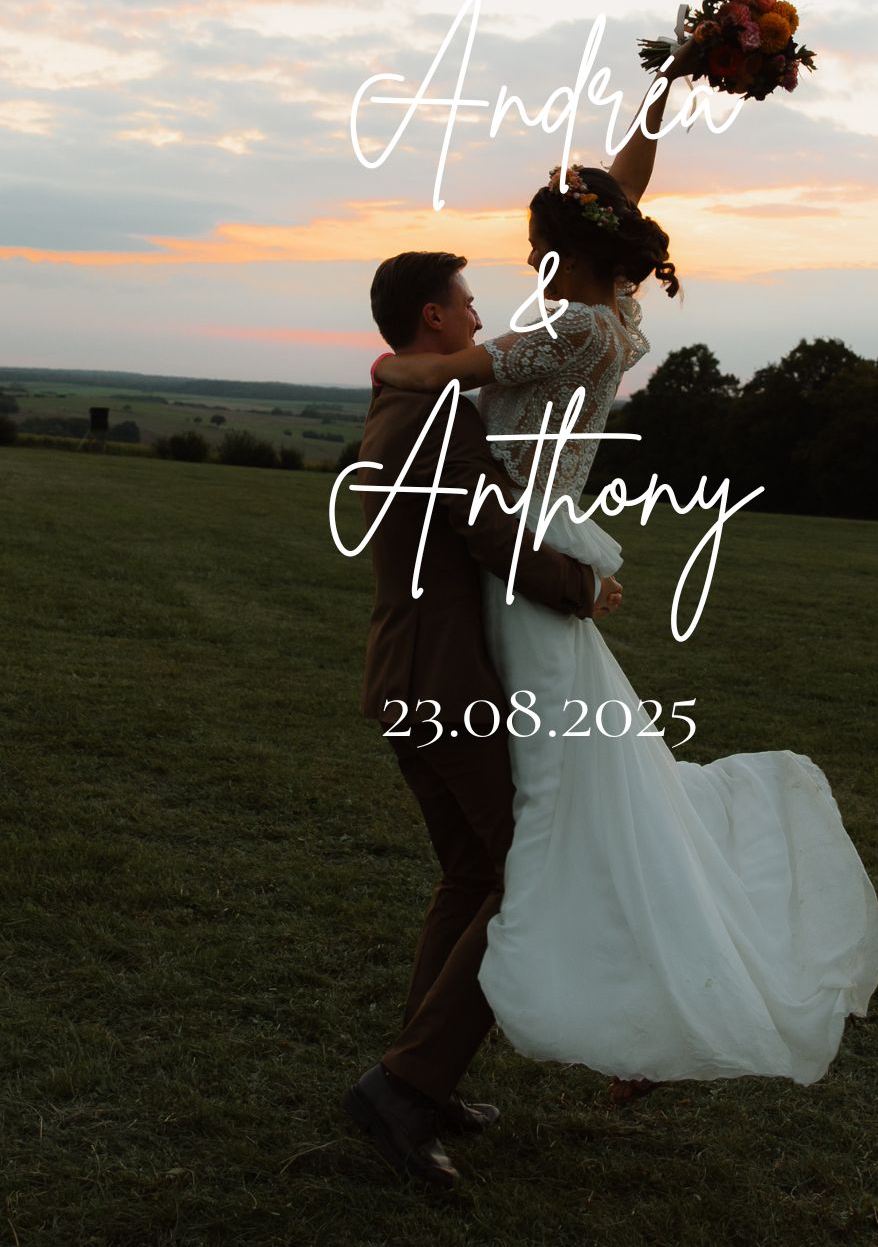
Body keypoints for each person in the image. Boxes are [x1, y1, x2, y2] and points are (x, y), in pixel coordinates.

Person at [373, 44, 878, 1096]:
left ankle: (546, 1031)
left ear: (563, 251)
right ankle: (429, 1073)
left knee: (562, 835)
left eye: (534, 244)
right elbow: (624, 187)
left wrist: (396, 364)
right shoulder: (608, 318)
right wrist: (669, 87)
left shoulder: (567, 330)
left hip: (522, 564)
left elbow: (438, 367)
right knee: (559, 830)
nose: (523, 261)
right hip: (523, 554)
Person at [341, 250, 621, 1191]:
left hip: (410, 677)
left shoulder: (403, 400)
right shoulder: (432, 412)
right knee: (530, 877)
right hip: (444, 684)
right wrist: (581, 584)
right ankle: (406, 1086)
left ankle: (421, 1072)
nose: (477, 315)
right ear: (433, 316)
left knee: (473, 875)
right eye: (465, 303)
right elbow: (485, 527)